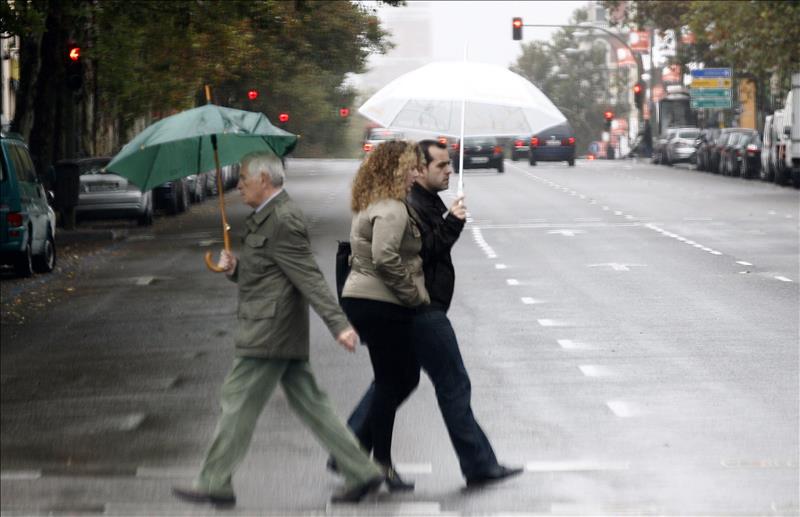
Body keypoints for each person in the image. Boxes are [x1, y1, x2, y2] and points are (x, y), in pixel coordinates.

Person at [171, 152, 384, 507]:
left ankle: (214, 482)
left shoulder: (282, 219)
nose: (238, 185)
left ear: (265, 181)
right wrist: (235, 267)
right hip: (274, 331)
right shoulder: (265, 217)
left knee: (236, 402)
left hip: (268, 334)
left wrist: (339, 324)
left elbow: (308, 277)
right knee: (314, 407)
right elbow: (267, 272)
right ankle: (362, 471)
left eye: (244, 179)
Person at [332, 140, 523, 488]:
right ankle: (478, 464)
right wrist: (451, 226)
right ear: (412, 171)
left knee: (396, 380)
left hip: (401, 306)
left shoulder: (409, 201)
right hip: (420, 309)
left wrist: (449, 221)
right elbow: (407, 255)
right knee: (451, 382)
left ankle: (350, 452)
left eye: (447, 164)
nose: (446, 170)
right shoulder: (403, 204)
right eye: (438, 165)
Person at [339, 140, 430, 491]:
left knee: (399, 378)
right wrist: (413, 296)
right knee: (393, 381)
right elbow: (384, 257)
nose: (415, 175)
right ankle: (377, 465)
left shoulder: (369, 203)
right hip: (383, 303)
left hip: (364, 300)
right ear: (394, 171)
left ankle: (365, 457)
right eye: (410, 168)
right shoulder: (392, 208)